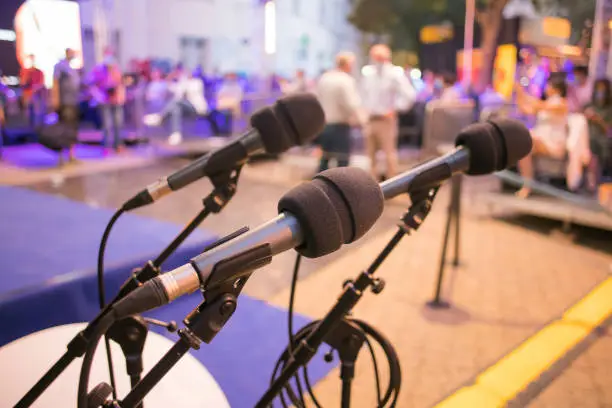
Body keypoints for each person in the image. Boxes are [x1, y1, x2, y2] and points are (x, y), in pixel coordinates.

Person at [361, 44, 416, 180]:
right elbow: (363, 95)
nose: (377, 60)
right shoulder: (368, 73)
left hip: (386, 120)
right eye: (374, 57)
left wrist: (394, 109)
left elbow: (409, 95)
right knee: (370, 155)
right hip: (370, 119)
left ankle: (392, 185)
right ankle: (371, 185)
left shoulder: (394, 74)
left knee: (389, 155)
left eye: (379, 57)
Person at [515, 75, 569, 198]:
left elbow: (540, 105)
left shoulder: (562, 103)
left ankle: (527, 185)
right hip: (541, 140)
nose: (546, 87)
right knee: (524, 145)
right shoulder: (547, 102)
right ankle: (527, 183)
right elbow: (525, 110)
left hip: (554, 142)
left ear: (557, 88)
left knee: (528, 140)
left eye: (549, 85)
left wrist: (523, 93)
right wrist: (519, 94)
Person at [315, 51, 364, 172]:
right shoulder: (346, 80)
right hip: (341, 125)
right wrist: (362, 120)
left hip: (325, 124)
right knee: (342, 162)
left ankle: (319, 186)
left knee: (325, 159)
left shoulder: (325, 78)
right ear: (347, 64)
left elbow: (318, 98)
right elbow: (351, 104)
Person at [90, 48, 125, 152]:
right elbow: (91, 84)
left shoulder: (117, 69)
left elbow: (121, 84)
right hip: (105, 101)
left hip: (117, 100)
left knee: (118, 123)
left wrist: (121, 96)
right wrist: (99, 95)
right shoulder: (98, 69)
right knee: (106, 124)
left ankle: (118, 144)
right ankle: (106, 146)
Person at [51, 48, 80, 163]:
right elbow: (55, 83)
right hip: (65, 102)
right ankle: (61, 155)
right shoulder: (60, 66)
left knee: (72, 128)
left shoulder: (72, 68)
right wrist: (55, 99)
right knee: (64, 128)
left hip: (73, 102)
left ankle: (72, 155)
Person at [584, 79, 612, 191]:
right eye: (598, 89)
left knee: (598, 144)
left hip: (603, 137)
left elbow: (608, 129)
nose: (600, 92)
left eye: (603, 89)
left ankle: (596, 180)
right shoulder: (589, 105)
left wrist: (598, 120)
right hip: (586, 136)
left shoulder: (609, 108)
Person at [20, 54, 45, 127]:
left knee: (37, 114)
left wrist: (36, 89)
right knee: (28, 115)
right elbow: (23, 83)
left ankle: (37, 130)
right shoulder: (24, 71)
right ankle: (29, 129)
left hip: (36, 96)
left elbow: (41, 84)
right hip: (27, 96)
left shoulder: (39, 72)